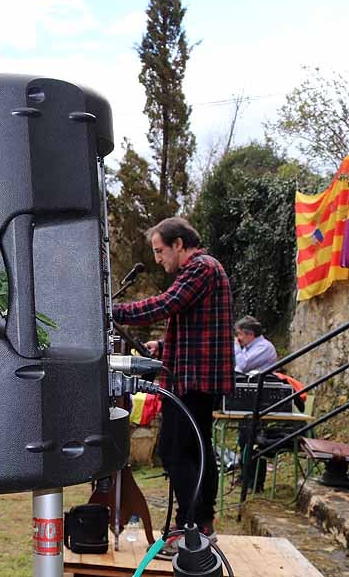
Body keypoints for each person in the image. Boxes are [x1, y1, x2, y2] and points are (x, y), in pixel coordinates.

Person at [111, 217, 233, 549]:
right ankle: (199, 524)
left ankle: (190, 527)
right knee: (193, 450)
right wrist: (163, 348)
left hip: (194, 379)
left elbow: (166, 304)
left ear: (179, 244)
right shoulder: (204, 271)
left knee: (178, 450)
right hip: (193, 375)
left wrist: (114, 312)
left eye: (160, 250)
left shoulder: (201, 267)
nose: (158, 259)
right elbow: (199, 328)